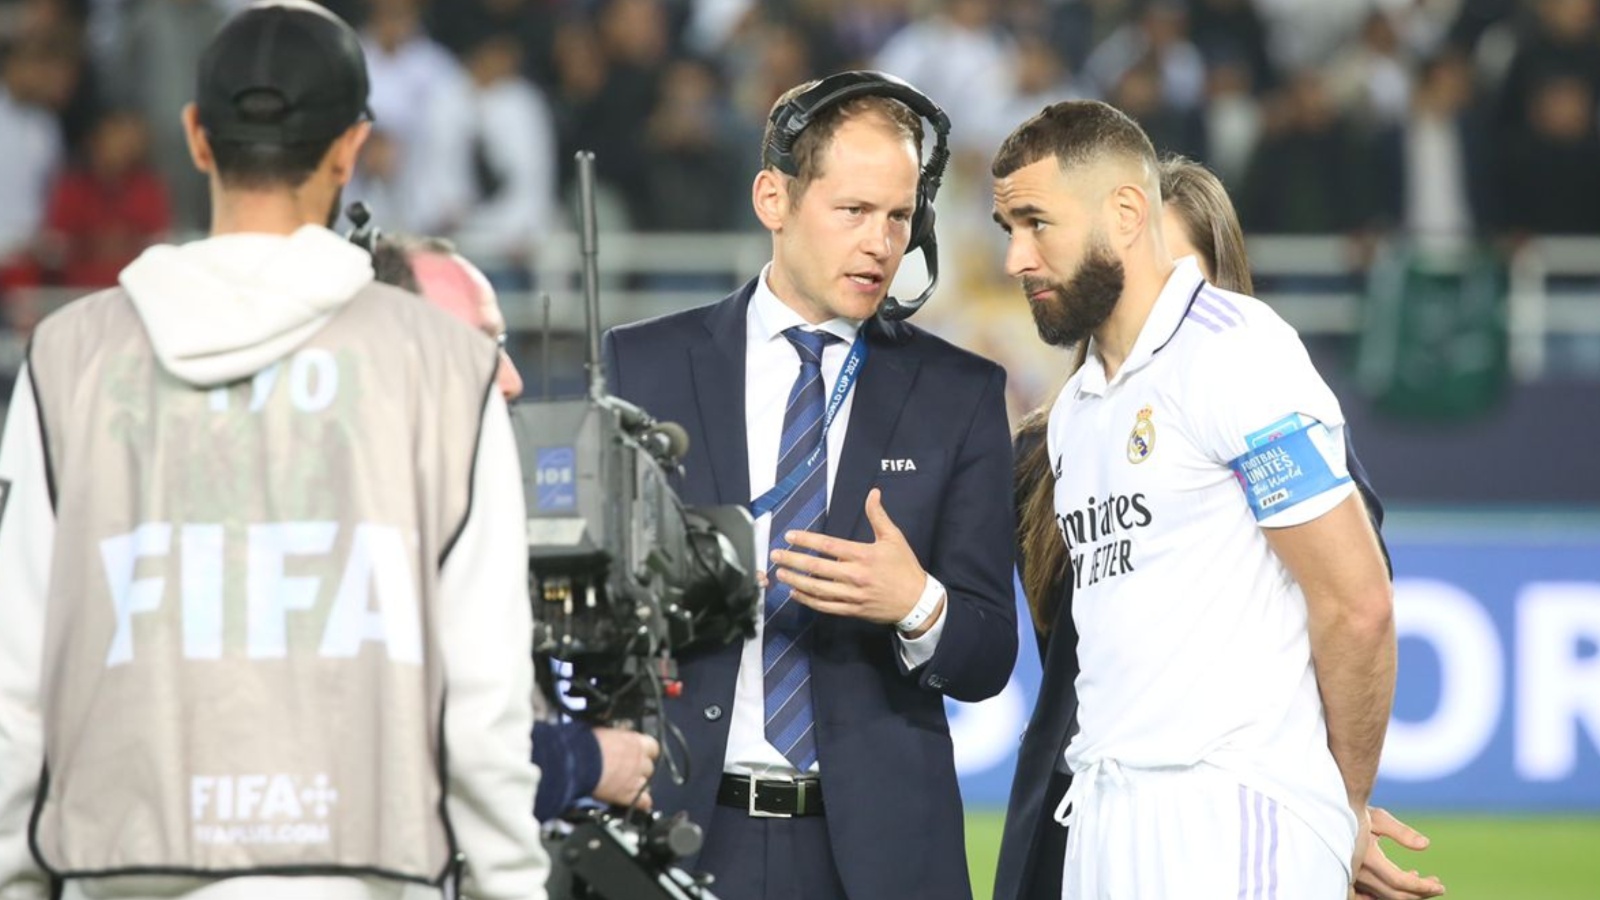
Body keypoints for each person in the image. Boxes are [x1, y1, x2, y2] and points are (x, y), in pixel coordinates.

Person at [0, 3, 548, 899]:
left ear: (196, 137)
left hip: (123, 871)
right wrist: (507, 887)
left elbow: (17, 681)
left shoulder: (69, 358)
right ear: (351, 148)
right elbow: (483, 699)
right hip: (368, 872)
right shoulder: (446, 368)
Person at [601, 72, 1017, 900]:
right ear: (774, 199)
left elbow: (988, 656)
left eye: (899, 216)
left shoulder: (960, 394)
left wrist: (916, 604)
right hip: (677, 833)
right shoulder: (641, 366)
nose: (880, 244)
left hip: (880, 857)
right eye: (853, 210)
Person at [994, 156, 1444, 900]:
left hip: (1223, 813)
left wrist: (1337, 807)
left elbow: (1353, 612)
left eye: (1173, 272)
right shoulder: (1056, 442)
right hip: (1083, 814)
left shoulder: (1262, 398)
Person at [369, 235, 662, 819]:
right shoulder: (357, 537)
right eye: (478, 344)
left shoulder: (478, 510)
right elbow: (403, 757)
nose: (512, 380)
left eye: (501, 345)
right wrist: (585, 760)